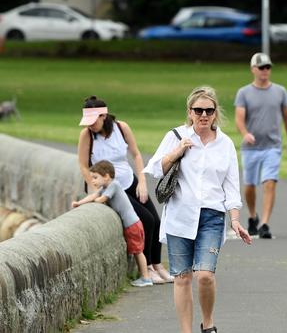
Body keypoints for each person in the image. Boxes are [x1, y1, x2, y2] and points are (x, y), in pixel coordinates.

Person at [143, 86, 252, 333]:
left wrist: (235, 220)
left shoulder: (225, 144)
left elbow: (231, 187)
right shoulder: (176, 136)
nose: (204, 115)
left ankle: (208, 323)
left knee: (205, 275)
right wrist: (177, 151)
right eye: (198, 110)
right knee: (182, 277)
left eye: (209, 110)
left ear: (215, 113)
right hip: (180, 217)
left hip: (211, 217)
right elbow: (155, 169)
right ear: (190, 112)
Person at [77, 96, 172, 284]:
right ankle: (147, 270)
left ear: (103, 115)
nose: (90, 126)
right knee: (144, 220)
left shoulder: (121, 128)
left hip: (130, 181)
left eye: (93, 121)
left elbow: (136, 154)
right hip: (111, 188)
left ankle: (157, 265)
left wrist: (142, 182)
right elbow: (82, 164)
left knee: (156, 220)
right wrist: (95, 186)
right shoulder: (87, 135)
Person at [235, 52, 287, 239]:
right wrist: (245, 134)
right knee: (250, 185)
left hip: (272, 146)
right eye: (261, 67)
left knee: (269, 182)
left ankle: (265, 223)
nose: (265, 71)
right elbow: (239, 118)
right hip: (251, 148)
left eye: (268, 67)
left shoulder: (280, 91)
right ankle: (253, 216)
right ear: (253, 69)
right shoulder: (244, 92)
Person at [72, 160, 152, 287]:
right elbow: (93, 196)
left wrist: (95, 202)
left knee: (138, 252)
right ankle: (145, 276)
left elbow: (101, 199)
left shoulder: (114, 185)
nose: (92, 181)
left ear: (106, 176)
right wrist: (79, 203)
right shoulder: (105, 187)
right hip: (132, 224)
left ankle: (146, 278)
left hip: (132, 225)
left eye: (95, 178)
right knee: (137, 251)